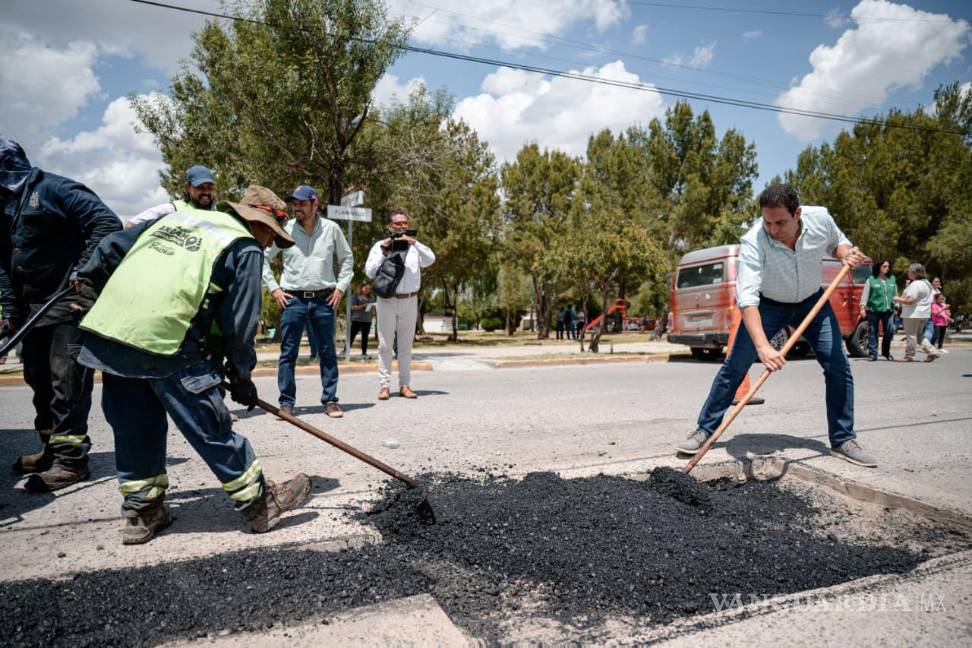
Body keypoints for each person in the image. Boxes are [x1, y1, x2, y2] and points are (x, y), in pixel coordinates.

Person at [75, 185, 311, 545]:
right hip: (169, 340)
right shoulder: (244, 246)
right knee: (208, 424)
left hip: (113, 332)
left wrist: (88, 286)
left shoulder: (176, 219)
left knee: (134, 425)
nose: (269, 244)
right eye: (271, 236)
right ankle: (259, 504)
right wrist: (242, 374)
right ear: (258, 223)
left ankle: (143, 512)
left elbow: (110, 247)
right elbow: (241, 323)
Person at [675, 184, 875, 467]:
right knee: (735, 366)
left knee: (837, 365)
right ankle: (704, 431)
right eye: (767, 222)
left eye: (780, 222)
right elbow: (747, 299)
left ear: (797, 214)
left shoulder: (820, 218)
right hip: (767, 305)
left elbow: (837, 241)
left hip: (812, 301)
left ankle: (843, 439)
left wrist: (844, 253)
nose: (773, 230)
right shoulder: (754, 241)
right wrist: (763, 347)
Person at [0, 137, 122, 491]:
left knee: (65, 385)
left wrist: (83, 273)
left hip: (66, 304)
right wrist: (10, 308)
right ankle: (51, 450)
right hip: (30, 312)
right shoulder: (4, 204)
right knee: (38, 382)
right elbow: (3, 261)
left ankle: (72, 462)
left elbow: (106, 224)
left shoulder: (55, 189)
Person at [262, 185, 353, 419]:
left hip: (324, 300)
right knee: (288, 353)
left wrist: (340, 288)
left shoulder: (332, 229)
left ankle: (330, 400)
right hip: (293, 300)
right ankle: (286, 403)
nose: (297, 208)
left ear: (315, 204)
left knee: (327, 352)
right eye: (295, 203)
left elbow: (347, 259)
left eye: (302, 203)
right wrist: (274, 289)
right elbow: (263, 257)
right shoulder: (285, 229)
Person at [365, 208, 435, 400]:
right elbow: (370, 271)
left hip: (409, 300)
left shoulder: (414, 248)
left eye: (405, 223)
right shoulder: (380, 246)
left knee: (405, 347)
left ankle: (405, 385)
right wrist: (383, 250)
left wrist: (415, 242)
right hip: (387, 301)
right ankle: (384, 386)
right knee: (385, 345)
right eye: (398, 223)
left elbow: (430, 259)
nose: (403, 226)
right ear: (390, 227)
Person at [124, 165, 216, 229]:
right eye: (200, 187)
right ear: (188, 187)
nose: (206, 192)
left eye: (210, 187)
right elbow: (130, 225)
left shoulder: (217, 213)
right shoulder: (173, 209)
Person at [893, 263, 939, 363]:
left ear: (915, 273)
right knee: (919, 335)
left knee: (911, 335)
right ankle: (932, 350)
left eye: (909, 271)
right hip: (924, 313)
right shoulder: (927, 283)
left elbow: (911, 300)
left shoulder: (916, 284)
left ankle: (910, 356)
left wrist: (897, 298)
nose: (908, 273)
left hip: (913, 314)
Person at [858, 259, 897, 361]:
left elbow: (895, 294)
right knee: (873, 331)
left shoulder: (892, 279)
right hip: (874, 309)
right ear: (879, 267)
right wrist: (862, 308)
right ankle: (872, 354)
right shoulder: (871, 279)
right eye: (884, 266)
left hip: (889, 310)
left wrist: (897, 306)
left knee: (889, 331)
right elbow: (865, 294)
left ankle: (886, 352)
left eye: (888, 266)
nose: (887, 268)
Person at [349, 283, 376, 360]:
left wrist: (373, 307)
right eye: (366, 288)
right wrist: (364, 305)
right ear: (361, 288)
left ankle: (364, 353)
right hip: (357, 319)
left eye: (369, 289)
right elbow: (353, 307)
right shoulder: (355, 296)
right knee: (351, 336)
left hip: (367, 320)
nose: (368, 290)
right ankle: (345, 351)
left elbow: (372, 309)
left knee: (365, 337)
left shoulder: (371, 298)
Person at [923, 277, 943, 343]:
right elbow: (930, 302)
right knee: (929, 330)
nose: (938, 283)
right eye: (936, 282)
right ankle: (926, 344)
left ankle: (927, 344)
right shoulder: (930, 291)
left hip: (935, 314)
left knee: (931, 331)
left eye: (939, 281)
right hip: (930, 312)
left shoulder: (938, 291)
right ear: (931, 282)